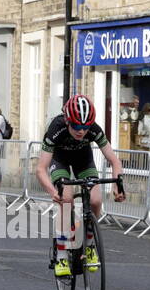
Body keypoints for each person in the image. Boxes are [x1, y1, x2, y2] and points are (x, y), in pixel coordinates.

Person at [36, 95, 126, 278]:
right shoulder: (56, 128)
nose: (81, 131)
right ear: (68, 121)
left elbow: (115, 161)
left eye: (85, 127)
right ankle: (61, 254)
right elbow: (40, 169)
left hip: (83, 160)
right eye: (77, 127)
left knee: (96, 199)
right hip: (59, 159)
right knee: (66, 199)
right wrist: (53, 192)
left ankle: (90, 244)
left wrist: (118, 185)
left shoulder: (93, 129)